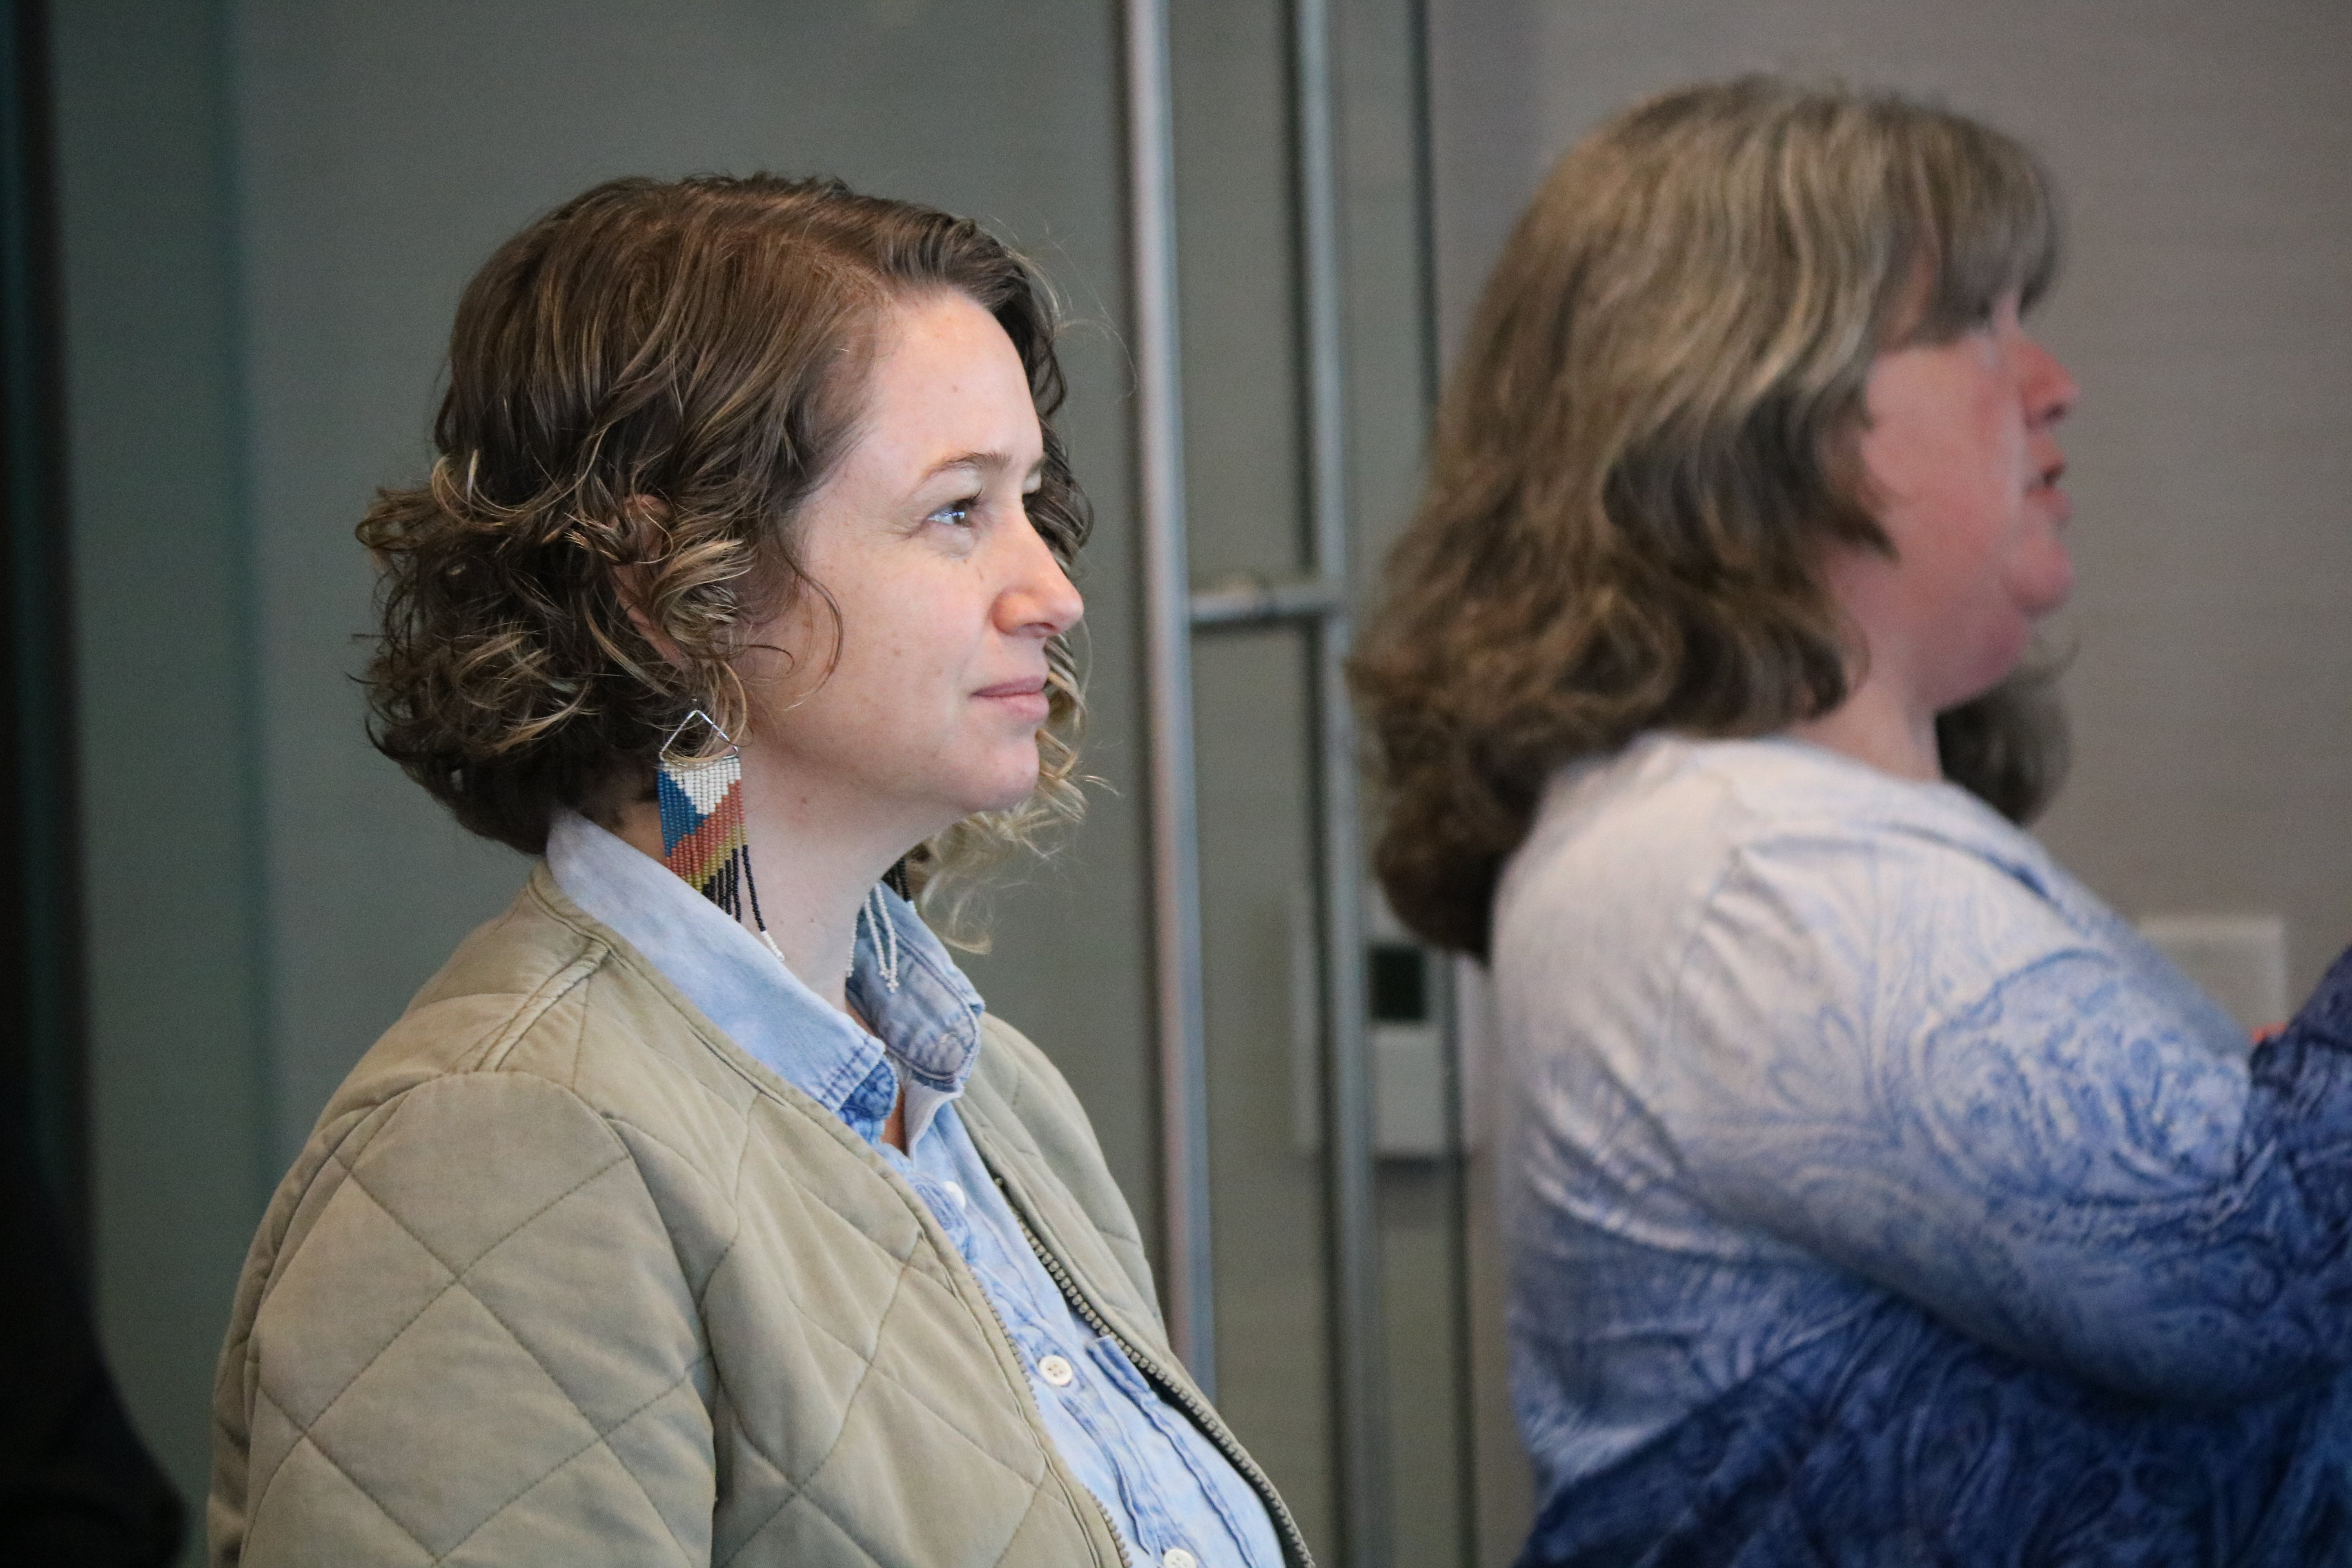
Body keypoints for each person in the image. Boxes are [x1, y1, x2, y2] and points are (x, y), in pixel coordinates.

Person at [208, 174, 1307, 1568]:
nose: (1055, 589)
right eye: (957, 512)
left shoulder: (988, 1096)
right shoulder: (502, 1149)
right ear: (672, 590)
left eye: (1029, 499)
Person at [1354, 78, 2352, 1565]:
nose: (2050, 381)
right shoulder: (1755, 873)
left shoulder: (1778, 836)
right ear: (1756, 404)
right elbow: (2265, 1261)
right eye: (1975, 325)